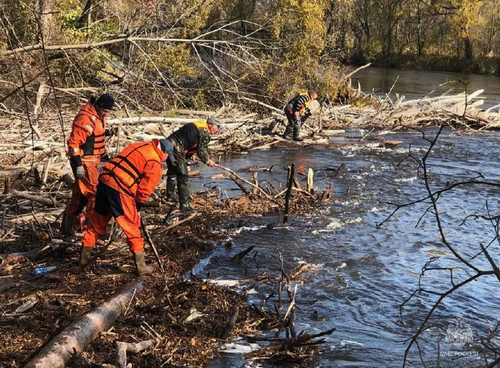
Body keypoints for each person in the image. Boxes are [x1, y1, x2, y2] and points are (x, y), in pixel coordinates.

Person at [79, 138, 175, 276]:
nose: (166, 159)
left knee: (96, 224)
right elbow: (145, 191)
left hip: (104, 179)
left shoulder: (139, 145)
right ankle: (141, 267)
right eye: (167, 157)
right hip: (120, 188)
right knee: (132, 227)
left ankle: (83, 262)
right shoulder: (154, 162)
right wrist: (138, 206)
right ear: (164, 152)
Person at [60, 93, 117, 238]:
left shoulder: (99, 116)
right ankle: (93, 230)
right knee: (94, 195)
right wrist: (78, 165)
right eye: (105, 111)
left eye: (108, 111)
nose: (106, 113)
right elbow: (73, 144)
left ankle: (67, 229)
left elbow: (94, 135)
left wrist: (109, 132)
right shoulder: (84, 118)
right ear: (98, 106)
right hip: (85, 162)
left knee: (80, 198)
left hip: (95, 160)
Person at [163, 117, 221, 211]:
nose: (218, 129)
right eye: (217, 127)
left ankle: (170, 196)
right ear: (211, 125)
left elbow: (189, 139)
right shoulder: (205, 132)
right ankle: (185, 205)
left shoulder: (198, 124)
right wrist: (207, 161)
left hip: (169, 144)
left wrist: (190, 154)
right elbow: (202, 150)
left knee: (172, 172)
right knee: (183, 176)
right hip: (177, 149)